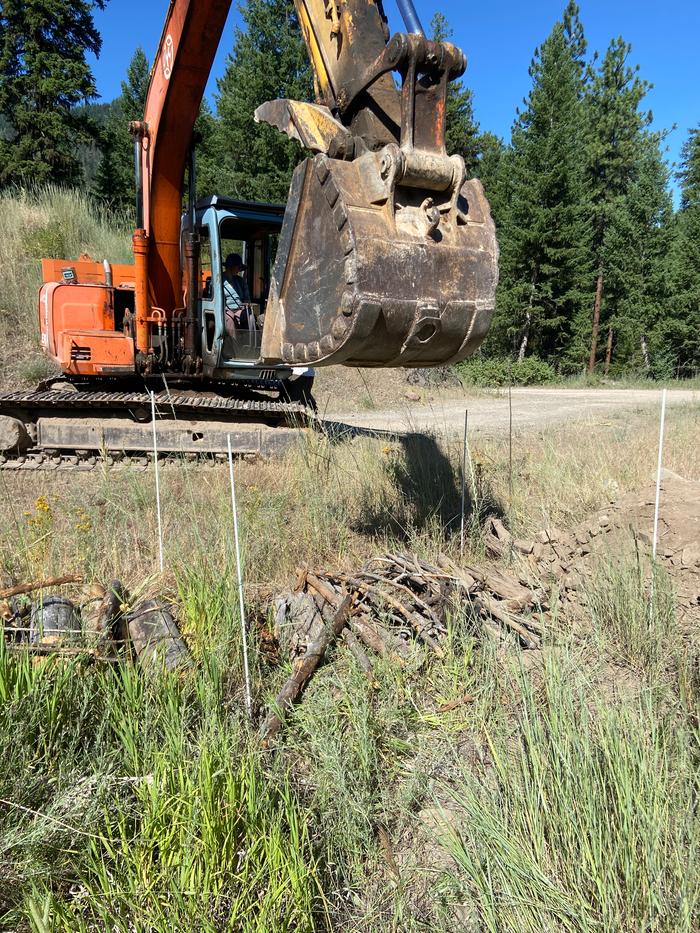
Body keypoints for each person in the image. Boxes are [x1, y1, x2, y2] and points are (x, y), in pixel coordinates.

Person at [223, 252, 252, 333]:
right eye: (238, 267)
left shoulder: (240, 281)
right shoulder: (220, 281)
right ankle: (234, 345)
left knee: (250, 317)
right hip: (225, 310)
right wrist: (229, 311)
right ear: (231, 267)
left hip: (239, 309)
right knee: (230, 319)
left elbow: (246, 299)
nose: (239, 270)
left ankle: (250, 343)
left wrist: (245, 308)